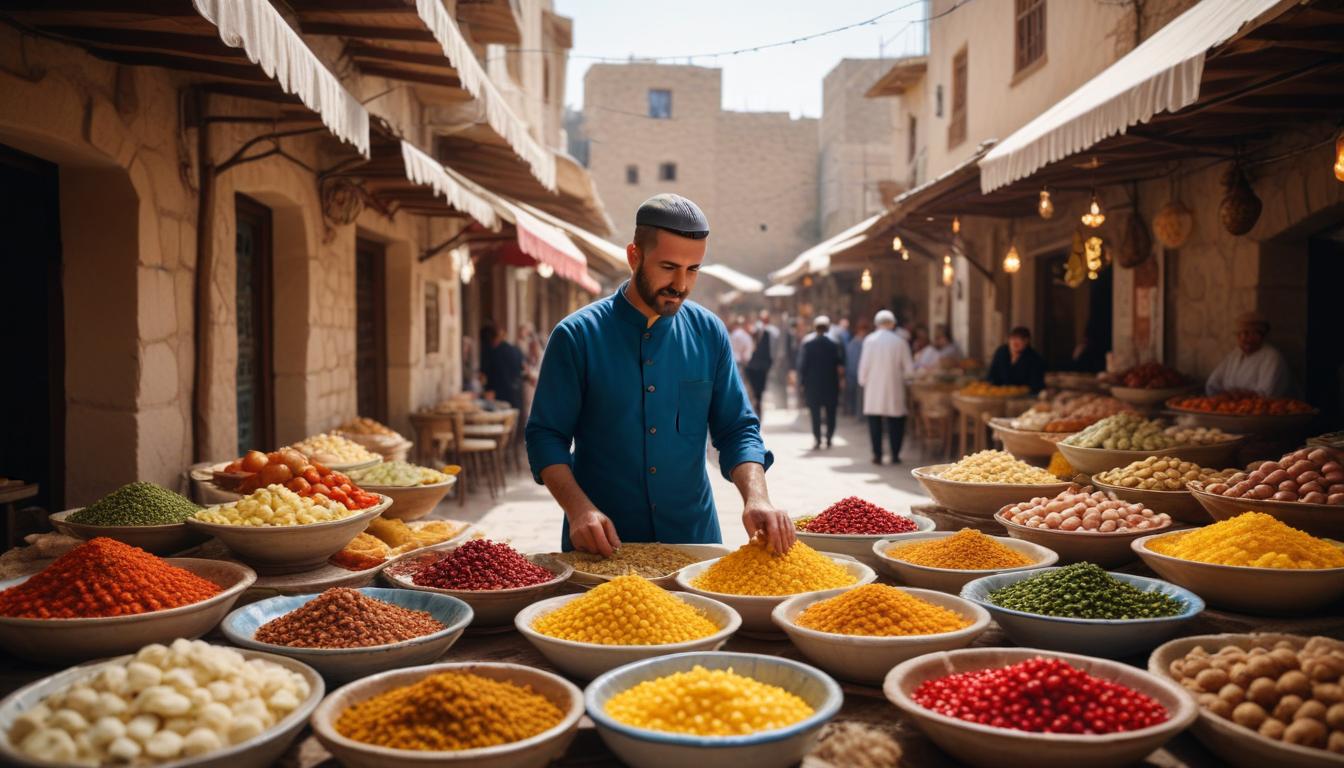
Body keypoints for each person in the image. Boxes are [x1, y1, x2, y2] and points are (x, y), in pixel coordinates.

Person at [526, 193, 794, 556]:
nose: (681, 284)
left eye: (693, 269)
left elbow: (737, 429)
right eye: (668, 267)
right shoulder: (576, 336)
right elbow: (546, 436)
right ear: (634, 256)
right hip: (603, 546)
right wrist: (579, 510)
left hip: (694, 542)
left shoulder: (709, 333)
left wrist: (756, 497)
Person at [860, 310, 915, 464]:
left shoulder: (869, 340)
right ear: (892, 323)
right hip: (894, 386)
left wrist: (863, 381)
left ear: (877, 323)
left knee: (874, 422)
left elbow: (864, 365)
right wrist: (909, 380)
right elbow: (909, 369)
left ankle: (877, 455)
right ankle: (895, 455)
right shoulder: (900, 341)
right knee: (896, 421)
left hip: (873, 387)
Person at [1206, 311, 1293, 397]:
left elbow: (1265, 394)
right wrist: (1224, 397)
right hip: (1229, 408)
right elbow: (1212, 384)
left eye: (1249, 334)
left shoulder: (1272, 358)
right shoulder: (1235, 354)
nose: (1244, 339)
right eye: (1240, 334)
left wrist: (1238, 395)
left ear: (1262, 335)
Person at [797, 315, 845, 449]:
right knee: (831, 413)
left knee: (815, 413)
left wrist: (801, 383)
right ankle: (829, 437)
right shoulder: (834, 344)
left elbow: (803, 366)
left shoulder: (808, 344)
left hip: (813, 385)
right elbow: (840, 365)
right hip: (831, 384)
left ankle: (817, 438)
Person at [987, 326, 1047, 394]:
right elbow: (991, 375)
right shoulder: (1001, 352)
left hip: (1023, 397)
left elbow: (1036, 386)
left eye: (1020, 339)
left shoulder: (1035, 359)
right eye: (1012, 338)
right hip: (999, 394)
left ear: (1027, 341)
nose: (1015, 342)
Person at [480, 323, 524, 409]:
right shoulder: (516, 350)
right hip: (516, 397)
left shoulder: (492, 353)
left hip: (499, 399)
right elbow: (521, 371)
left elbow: (487, 377)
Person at [744, 310, 775, 415]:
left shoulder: (768, 334)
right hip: (751, 366)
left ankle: (758, 403)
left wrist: (769, 364)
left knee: (760, 389)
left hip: (762, 366)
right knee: (753, 388)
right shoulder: (749, 334)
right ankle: (755, 404)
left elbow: (769, 350)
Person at [844, 321, 869, 416]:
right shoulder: (855, 343)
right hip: (855, 373)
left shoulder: (864, 342)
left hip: (858, 373)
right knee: (857, 396)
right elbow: (853, 360)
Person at [729, 314, 754, 382]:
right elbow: (747, 354)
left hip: (730, 359)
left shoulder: (733, 334)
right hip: (740, 361)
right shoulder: (746, 336)